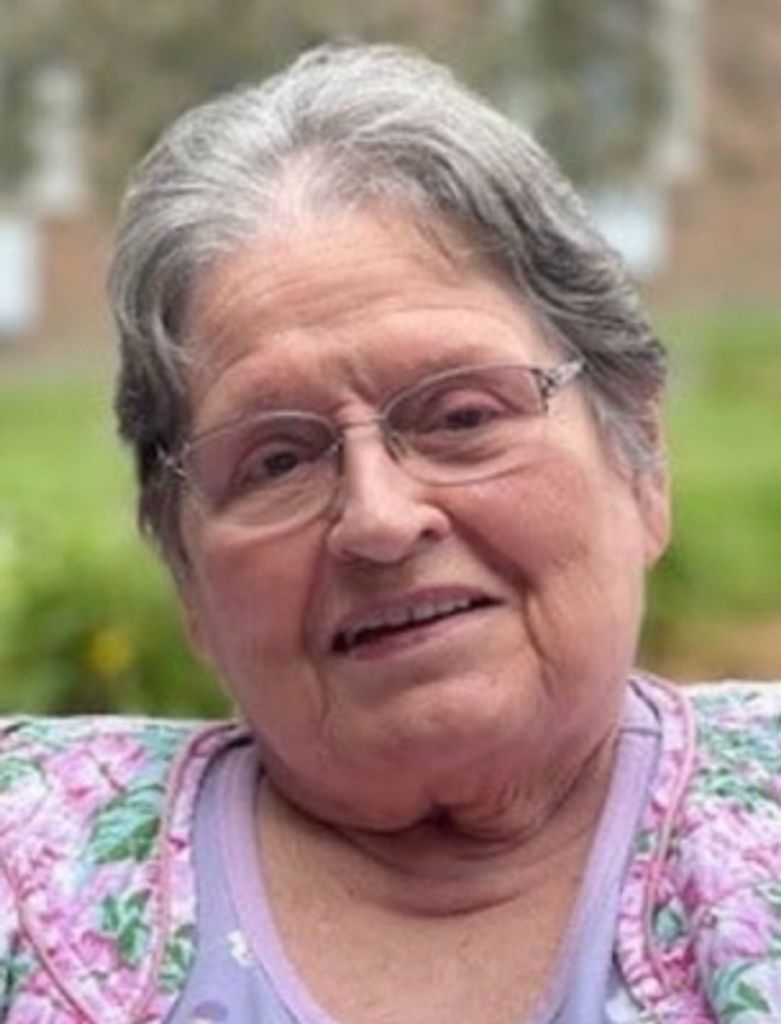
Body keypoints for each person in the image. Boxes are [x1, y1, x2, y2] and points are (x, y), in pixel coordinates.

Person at [1, 42, 779, 1024]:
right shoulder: (29, 869)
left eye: (462, 416)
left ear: (640, 459)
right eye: (277, 461)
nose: (377, 518)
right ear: (185, 567)